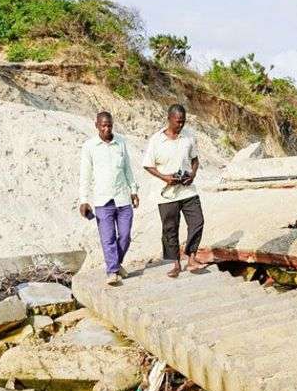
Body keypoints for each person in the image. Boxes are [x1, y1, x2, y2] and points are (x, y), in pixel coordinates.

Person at [142, 104, 205, 278]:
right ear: (169, 119)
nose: (181, 125)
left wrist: (192, 174)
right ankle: (175, 264)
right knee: (170, 228)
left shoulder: (189, 136)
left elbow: (195, 160)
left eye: (183, 122)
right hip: (166, 192)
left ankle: (191, 257)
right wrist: (165, 177)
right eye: (178, 122)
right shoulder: (156, 140)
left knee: (197, 221)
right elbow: (148, 165)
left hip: (187, 190)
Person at [79, 111, 139, 286]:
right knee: (108, 238)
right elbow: (85, 175)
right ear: (96, 125)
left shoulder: (120, 142)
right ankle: (112, 271)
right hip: (102, 200)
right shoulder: (89, 146)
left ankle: (116, 263)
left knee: (125, 236)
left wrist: (133, 190)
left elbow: (127, 168)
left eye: (109, 125)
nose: (107, 129)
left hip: (122, 198)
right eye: (103, 125)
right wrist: (84, 200)